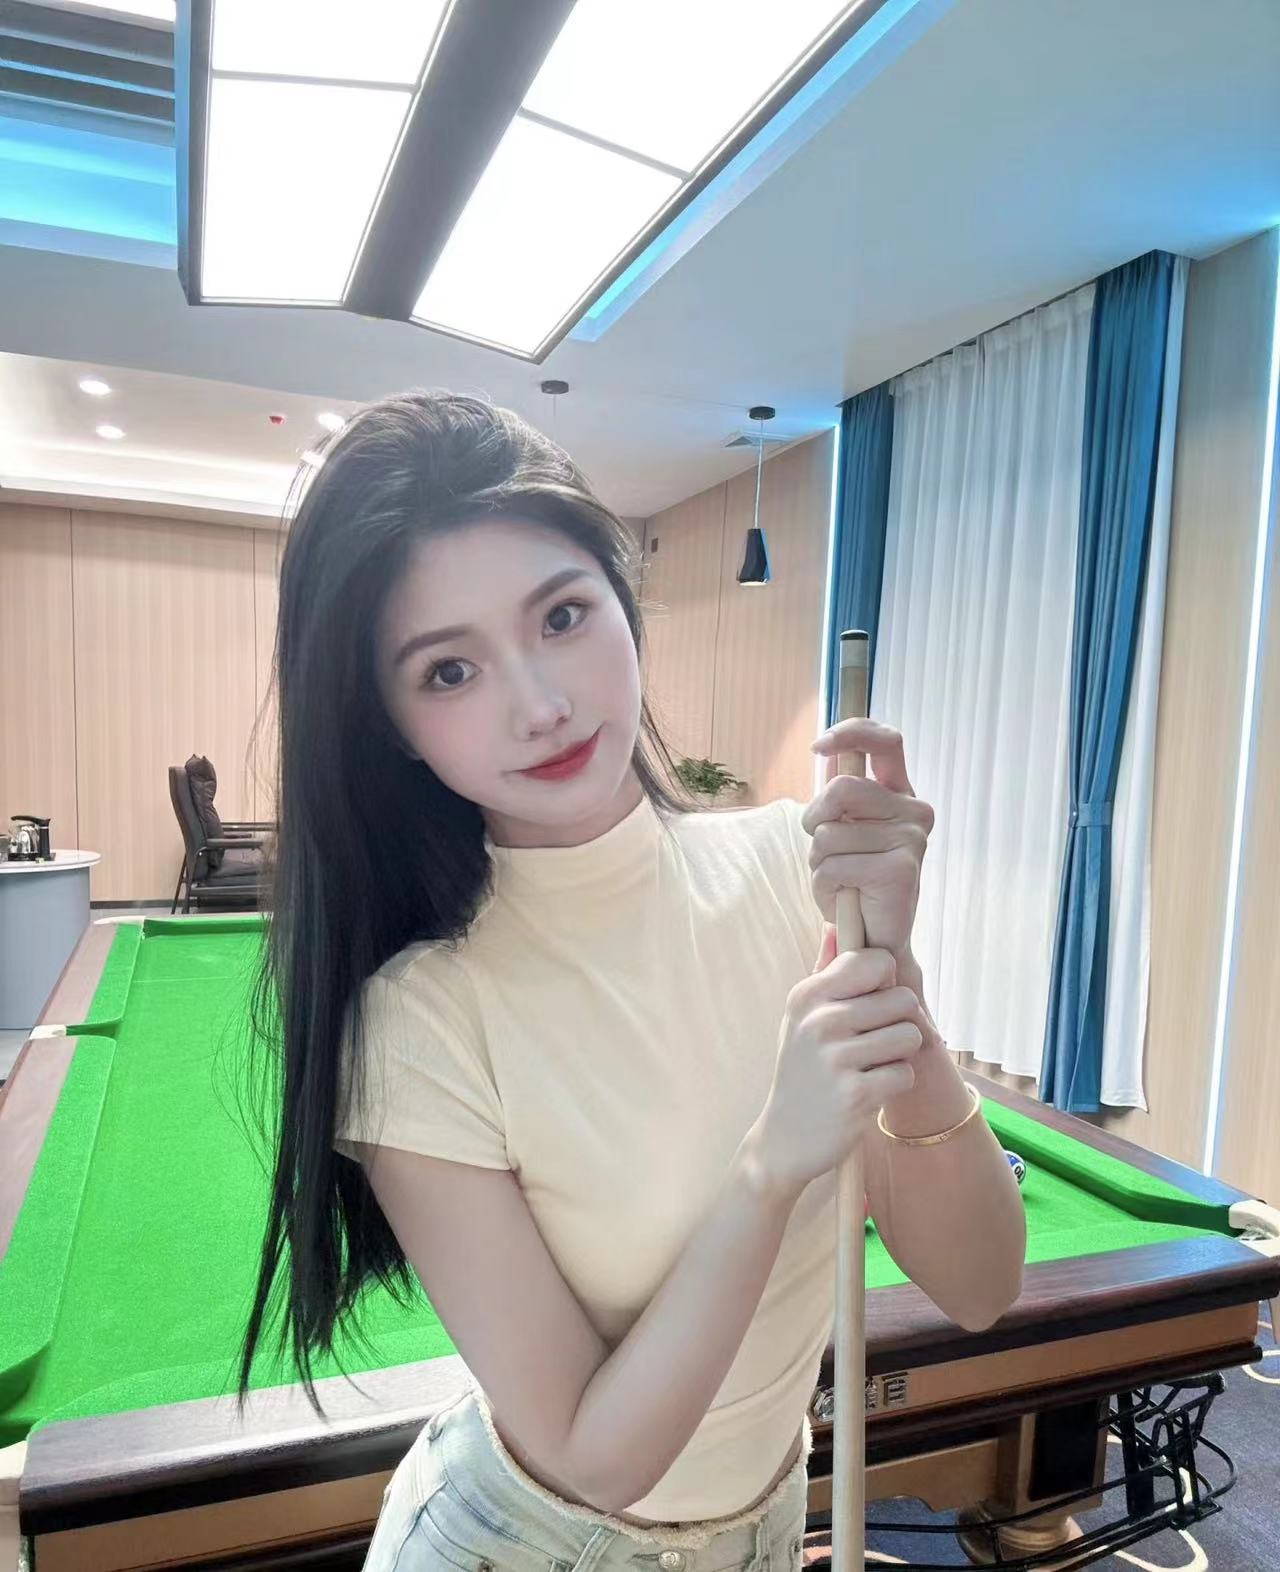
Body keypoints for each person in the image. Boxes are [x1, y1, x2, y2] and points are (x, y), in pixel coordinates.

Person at [238, 391, 1026, 1571]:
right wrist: (770, 1163)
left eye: (561, 615)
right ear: (391, 724)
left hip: (765, 1527)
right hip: (530, 1546)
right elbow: (593, 1459)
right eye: (448, 671)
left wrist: (892, 983)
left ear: (622, 599)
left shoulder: (794, 869)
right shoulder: (418, 1017)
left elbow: (979, 1287)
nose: (540, 703)